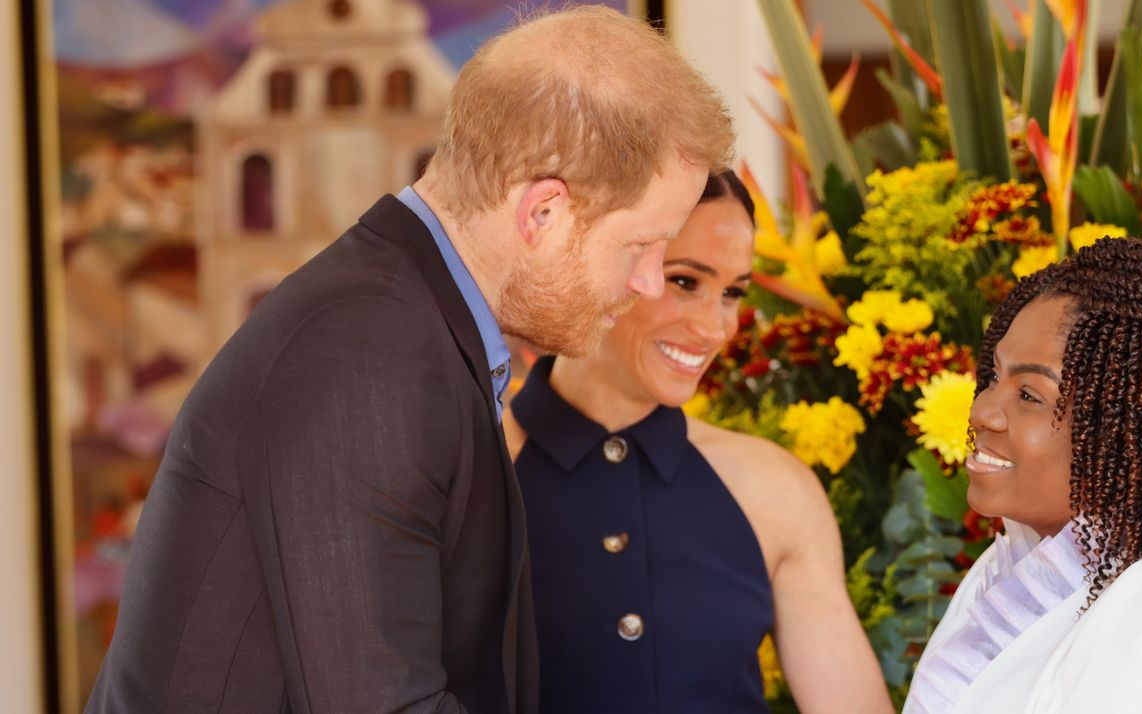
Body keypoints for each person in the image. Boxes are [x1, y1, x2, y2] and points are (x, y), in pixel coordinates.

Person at [86, 7, 733, 713]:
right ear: (543, 213)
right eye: (639, 245)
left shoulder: (406, 326)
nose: (645, 283)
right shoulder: (365, 353)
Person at [505, 170, 894, 713]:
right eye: (686, 281)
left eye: (732, 292)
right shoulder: (473, 467)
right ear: (592, 258)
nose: (716, 328)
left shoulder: (775, 490)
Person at [905, 237, 1142, 713]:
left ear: (1133, 428)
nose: (982, 410)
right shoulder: (1007, 573)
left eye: (1029, 395)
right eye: (994, 376)